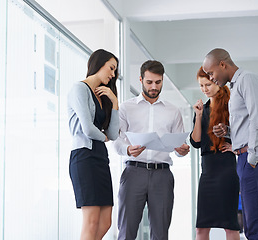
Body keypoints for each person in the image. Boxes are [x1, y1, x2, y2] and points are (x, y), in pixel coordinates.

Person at [202, 48, 258, 240]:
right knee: (253, 223)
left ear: (223, 64)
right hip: (249, 156)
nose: (211, 79)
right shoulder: (237, 85)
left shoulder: (247, 80)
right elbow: (247, 124)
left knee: (256, 226)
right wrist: (228, 131)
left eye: (211, 73)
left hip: (257, 156)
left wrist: (252, 159)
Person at [113, 60, 190, 240]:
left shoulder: (173, 111)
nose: (154, 86)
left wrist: (182, 150)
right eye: (149, 82)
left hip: (162, 176)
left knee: (161, 233)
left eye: (158, 82)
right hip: (133, 172)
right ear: (141, 79)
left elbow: (178, 147)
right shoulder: (126, 108)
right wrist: (128, 150)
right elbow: (116, 141)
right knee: (126, 232)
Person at [67, 49, 119, 240]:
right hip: (84, 156)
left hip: (100, 158)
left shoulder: (104, 95)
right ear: (99, 63)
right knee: (91, 221)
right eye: (111, 68)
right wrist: (103, 138)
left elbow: (113, 133)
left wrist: (114, 102)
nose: (113, 74)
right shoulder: (79, 88)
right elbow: (87, 129)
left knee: (106, 222)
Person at [190, 67, 240, 240]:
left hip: (227, 169)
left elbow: (245, 134)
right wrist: (198, 115)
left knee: (230, 226)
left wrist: (235, 148)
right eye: (201, 85)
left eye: (208, 84)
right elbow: (196, 142)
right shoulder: (201, 109)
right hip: (208, 171)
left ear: (217, 82)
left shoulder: (232, 106)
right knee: (201, 228)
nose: (204, 89)